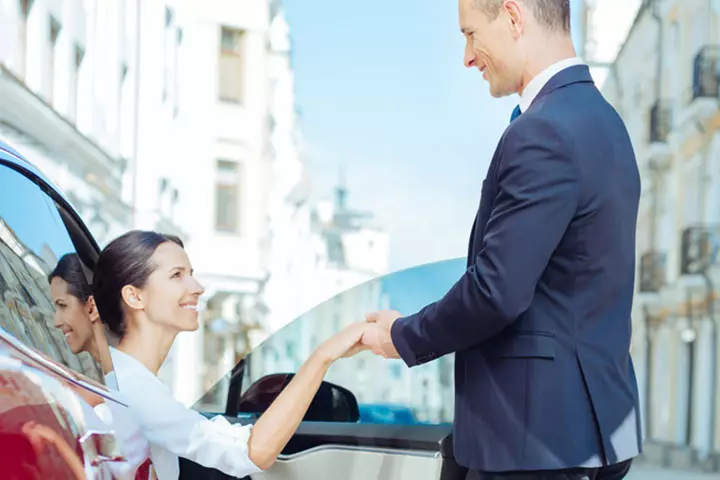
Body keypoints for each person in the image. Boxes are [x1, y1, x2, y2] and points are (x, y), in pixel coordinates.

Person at [361, 1, 642, 479]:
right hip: (595, 433)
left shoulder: (543, 130)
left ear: (513, 17)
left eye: (471, 34)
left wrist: (401, 336)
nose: (467, 57)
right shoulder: (607, 124)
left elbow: (496, 291)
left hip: (532, 442)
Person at [92, 230, 370, 479]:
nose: (197, 287)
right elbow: (251, 452)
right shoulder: (132, 388)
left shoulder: (126, 378)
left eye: (191, 273)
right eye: (177, 275)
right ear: (134, 296)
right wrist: (323, 356)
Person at [48, 253, 112, 375]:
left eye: (62, 305)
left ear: (91, 307)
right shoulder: (115, 376)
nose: (56, 323)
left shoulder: (131, 379)